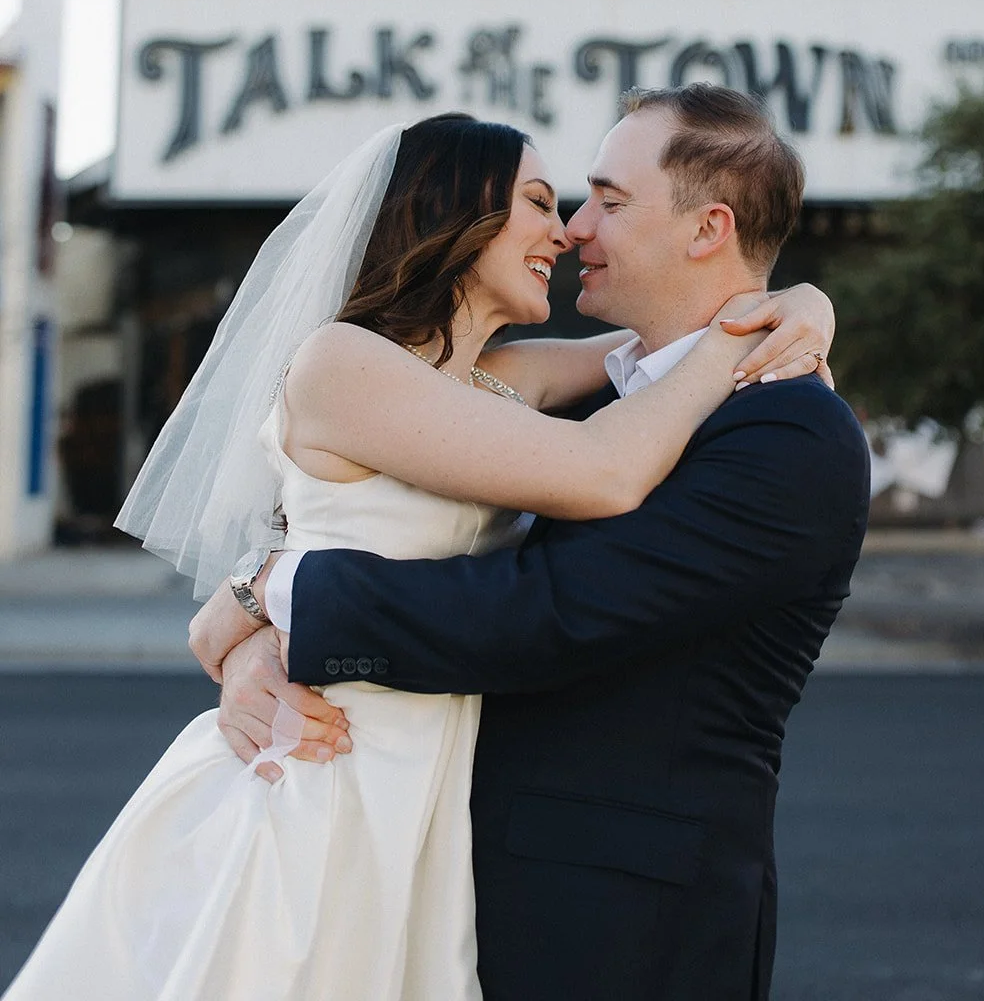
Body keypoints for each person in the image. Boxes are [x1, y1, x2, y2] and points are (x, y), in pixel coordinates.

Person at [3, 107, 831, 1001]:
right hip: (330, 764)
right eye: (541, 202)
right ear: (455, 214)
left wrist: (799, 305)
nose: (566, 230)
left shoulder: (502, 383)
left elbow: (641, 357)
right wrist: (739, 334)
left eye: (601, 201)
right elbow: (604, 468)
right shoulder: (341, 360)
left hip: (434, 798)